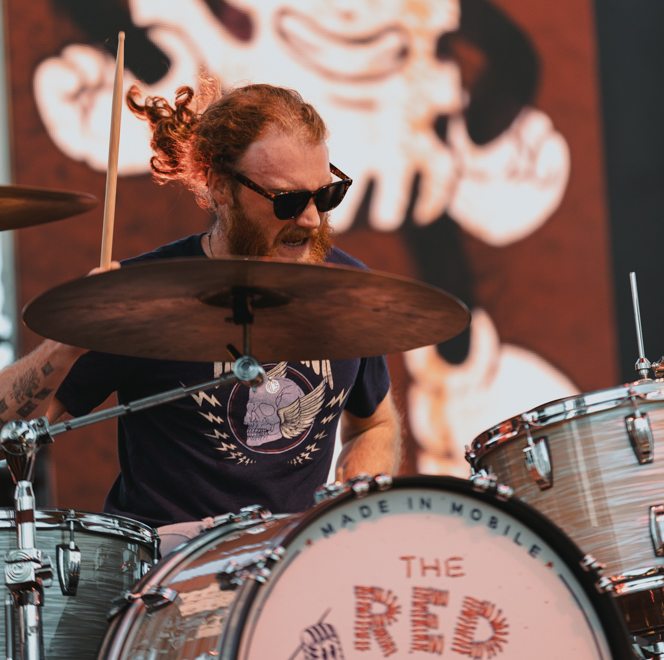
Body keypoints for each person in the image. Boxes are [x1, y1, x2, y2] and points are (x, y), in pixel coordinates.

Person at [0, 83, 400, 534]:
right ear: (219, 186)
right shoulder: (146, 295)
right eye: (287, 201)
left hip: (285, 572)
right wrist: (64, 346)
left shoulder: (347, 290)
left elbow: (374, 424)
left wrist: (352, 508)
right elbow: (9, 435)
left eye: (326, 196)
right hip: (165, 575)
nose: (309, 219)